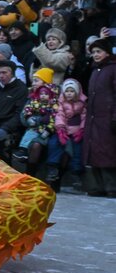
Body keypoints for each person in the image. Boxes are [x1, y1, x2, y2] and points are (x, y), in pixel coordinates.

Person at [82, 39, 116, 197]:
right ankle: (96, 187)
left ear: (107, 53)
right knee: (94, 151)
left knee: (108, 152)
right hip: (94, 118)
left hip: (108, 117)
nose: (95, 55)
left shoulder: (113, 69)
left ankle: (111, 187)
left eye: (98, 51)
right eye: (93, 52)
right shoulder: (95, 70)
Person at [45, 78, 86, 191]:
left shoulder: (82, 104)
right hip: (63, 131)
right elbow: (60, 116)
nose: (69, 93)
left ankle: (75, 173)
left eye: (72, 91)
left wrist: (82, 130)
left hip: (76, 131)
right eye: (67, 91)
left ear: (77, 92)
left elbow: (84, 117)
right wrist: (60, 129)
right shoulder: (61, 103)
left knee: (77, 149)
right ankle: (53, 167)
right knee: (54, 143)